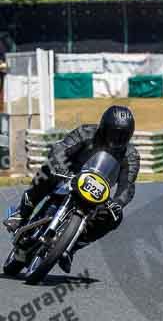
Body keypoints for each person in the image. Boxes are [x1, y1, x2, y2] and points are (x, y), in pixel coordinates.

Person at [6, 105, 140, 273]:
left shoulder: (131, 155)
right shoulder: (86, 133)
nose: (117, 138)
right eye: (114, 133)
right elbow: (61, 148)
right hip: (69, 176)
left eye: (123, 135)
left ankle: (72, 247)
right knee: (48, 171)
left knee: (115, 217)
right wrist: (59, 165)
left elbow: (127, 186)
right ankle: (21, 213)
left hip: (97, 193)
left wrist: (118, 203)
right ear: (103, 128)